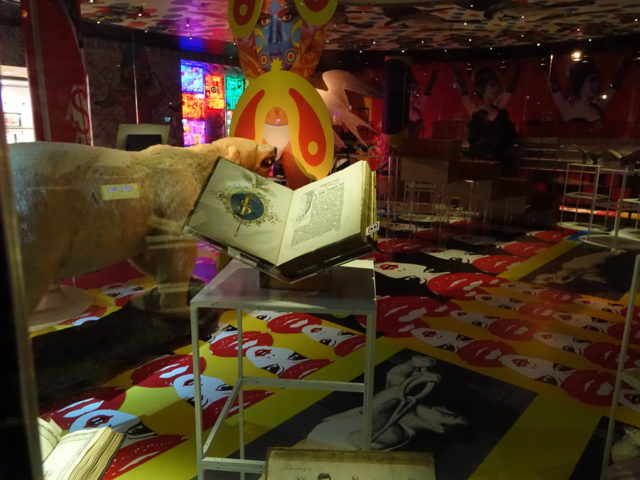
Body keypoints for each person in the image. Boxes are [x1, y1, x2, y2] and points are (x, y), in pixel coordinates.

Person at [297, 355, 471, 451]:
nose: (443, 408)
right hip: (302, 446)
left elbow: (377, 406)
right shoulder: (402, 411)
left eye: (448, 415)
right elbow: (394, 378)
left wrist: (416, 381)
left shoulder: (394, 434)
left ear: (438, 428)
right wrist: (412, 364)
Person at [550, 56, 630, 125]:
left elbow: (614, 85)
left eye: (597, 80)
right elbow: (553, 84)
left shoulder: (597, 106)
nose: (596, 84)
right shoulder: (566, 108)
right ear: (580, 81)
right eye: (592, 80)